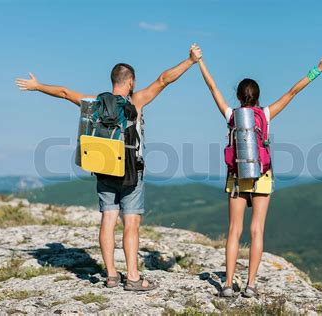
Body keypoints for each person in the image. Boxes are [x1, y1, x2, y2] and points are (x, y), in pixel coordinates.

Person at [15, 45, 203, 291]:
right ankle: (133, 278)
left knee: (108, 219)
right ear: (131, 82)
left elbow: (63, 92)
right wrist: (190, 61)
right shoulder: (136, 101)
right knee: (131, 224)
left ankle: (112, 275)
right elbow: (163, 80)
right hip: (131, 172)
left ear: (113, 80)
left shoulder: (96, 103)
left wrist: (37, 86)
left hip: (103, 168)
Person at [196, 45, 322, 297]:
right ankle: (250, 285)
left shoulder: (232, 115)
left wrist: (199, 62)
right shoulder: (266, 114)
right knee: (257, 230)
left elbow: (212, 88)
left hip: (237, 179)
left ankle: (227, 284)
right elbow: (293, 91)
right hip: (262, 177)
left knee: (234, 232)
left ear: (239, 97)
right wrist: (318, 70)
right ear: (258, 96)